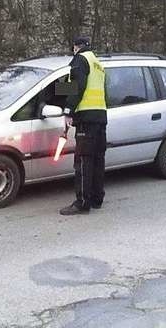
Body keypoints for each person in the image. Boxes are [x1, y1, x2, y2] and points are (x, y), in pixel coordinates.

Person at [59, 36, 108, 215]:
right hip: (100, 117)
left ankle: (82, 203)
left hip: (86, 119)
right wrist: (53, 91)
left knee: (83, 161)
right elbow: (90, 88)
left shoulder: (80, 60)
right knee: (97, 160)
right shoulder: (97, 64)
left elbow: (77, 86)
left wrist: (68, 111)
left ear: (75, 47)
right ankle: (96, 198)